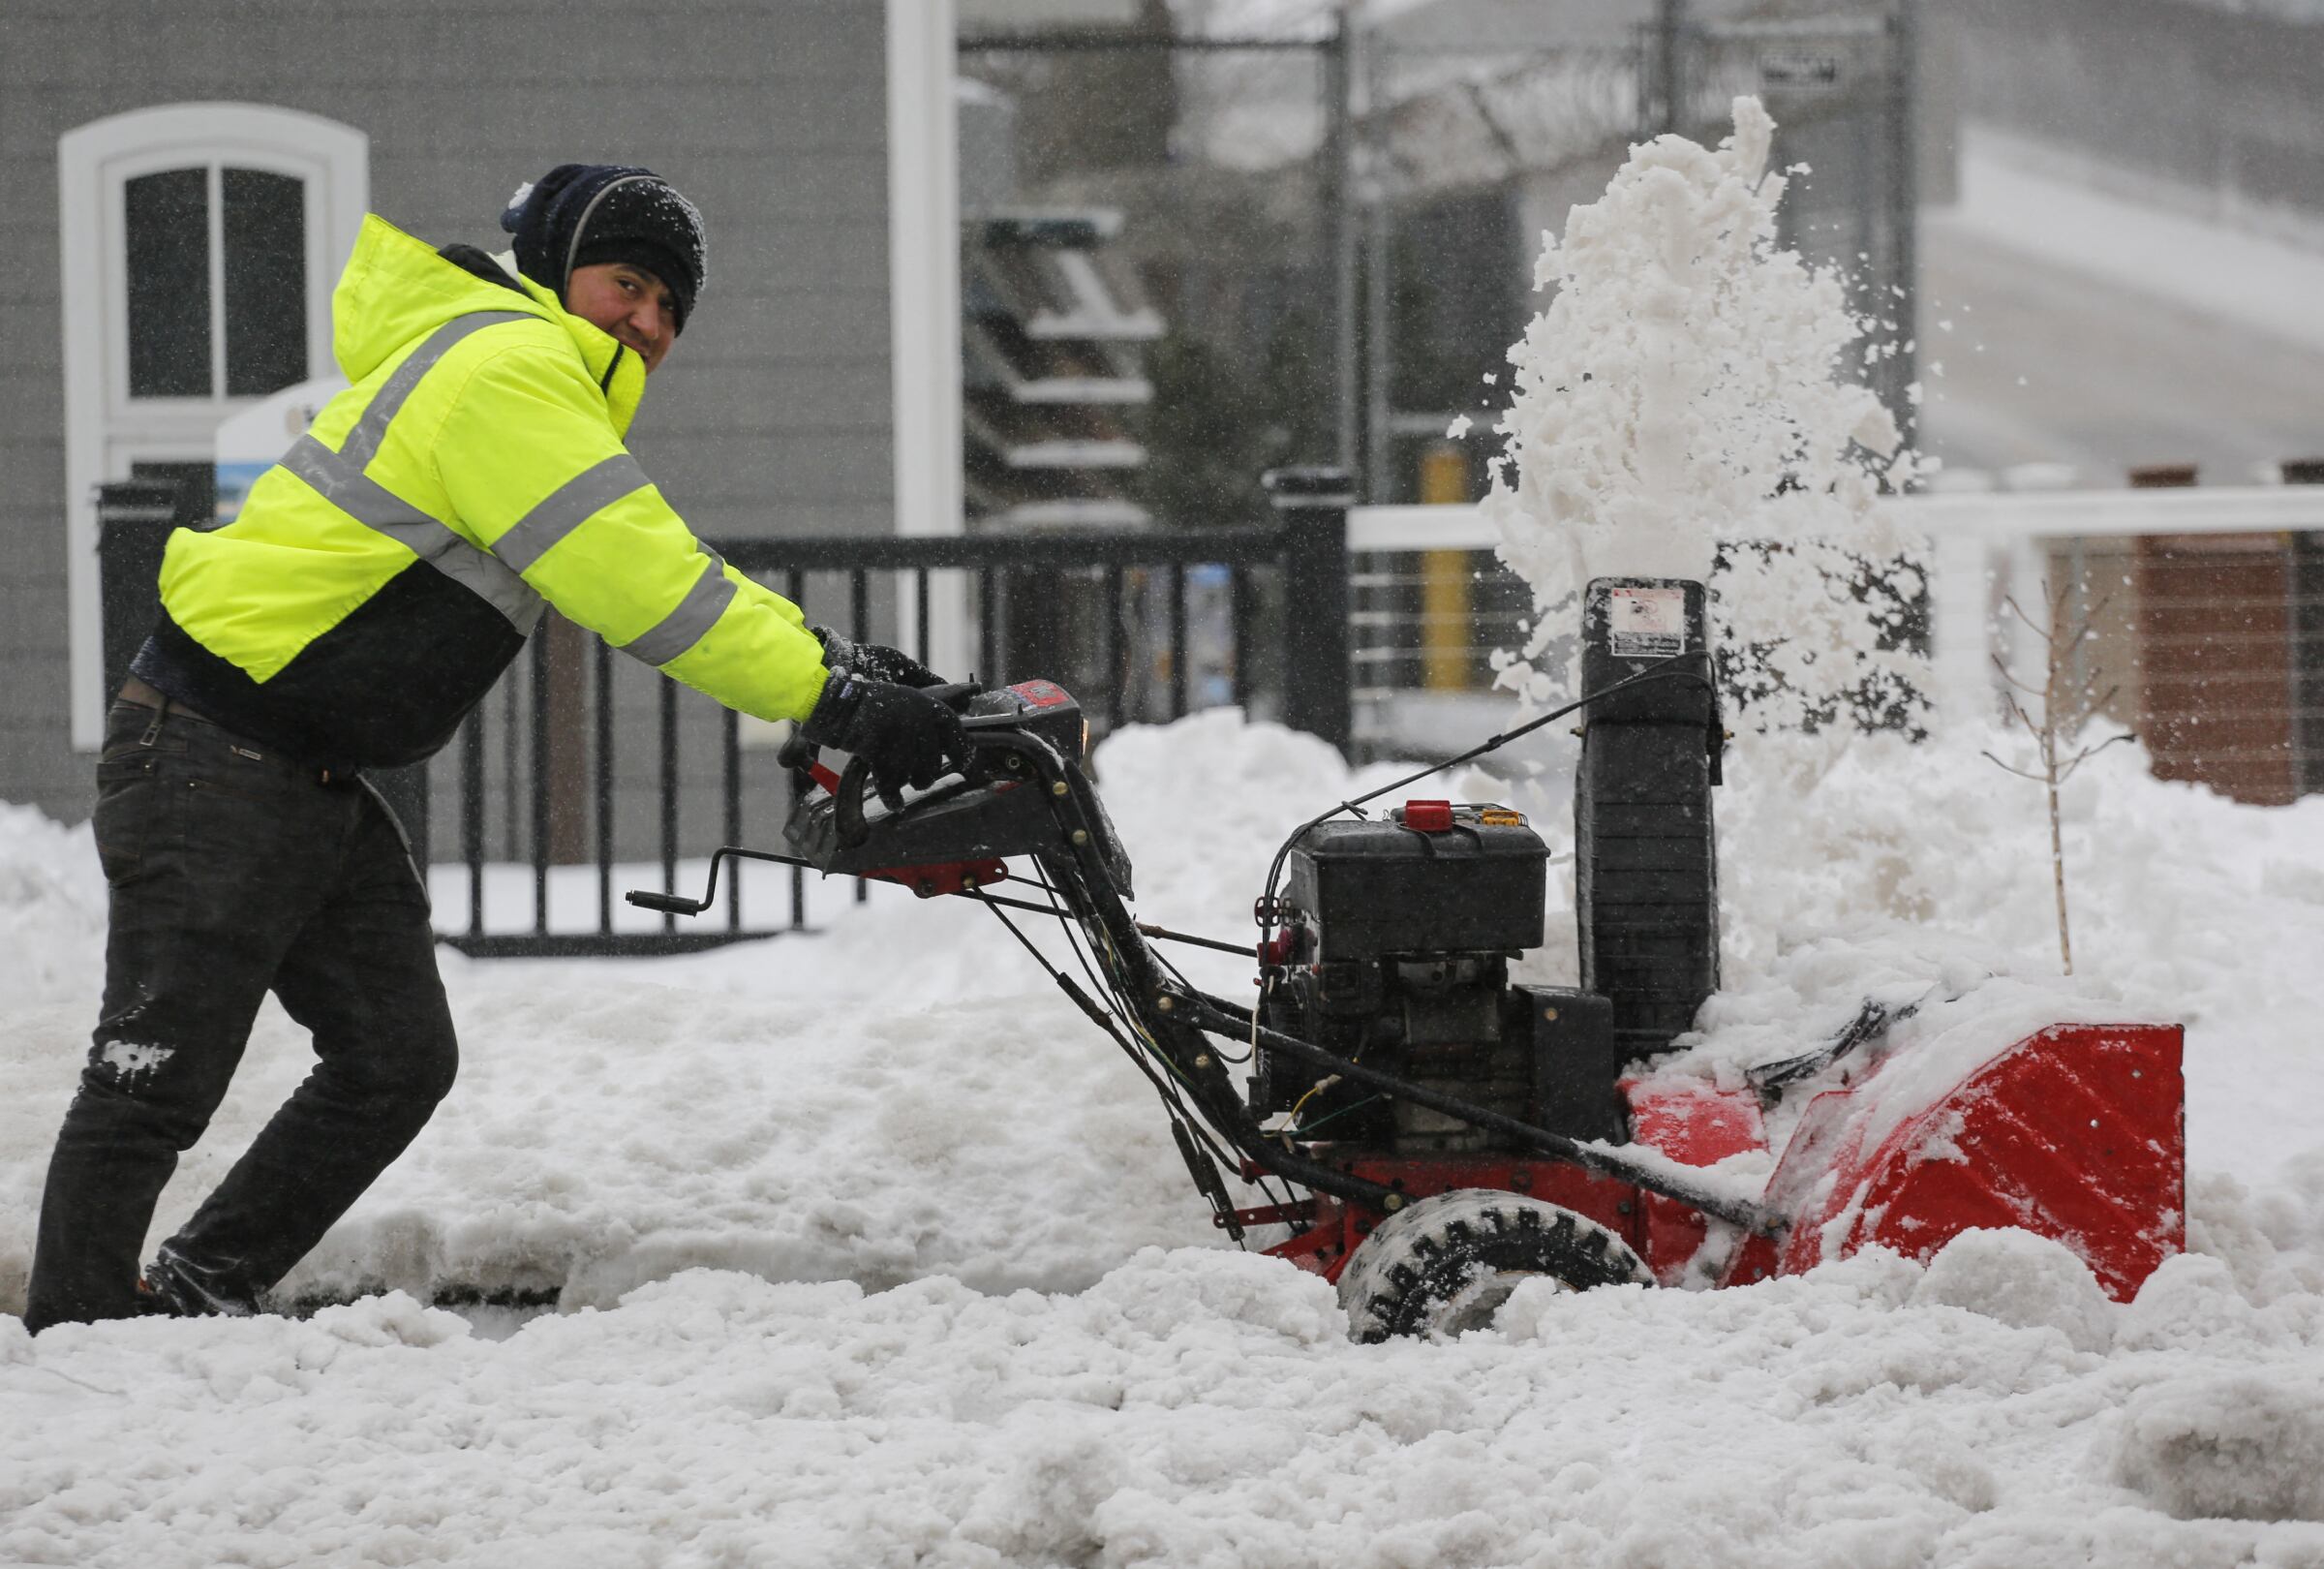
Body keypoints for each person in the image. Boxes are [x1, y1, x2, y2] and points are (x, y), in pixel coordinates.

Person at [24, 165, 964, 1332]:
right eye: (629, 284)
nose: (650, 322)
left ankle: (198, 1286)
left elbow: (668, 561)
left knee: (394, 1059)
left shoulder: (528, 382)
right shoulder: (506, 372)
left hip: (299, 766)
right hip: (217, 750)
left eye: (671, 308)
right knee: (154, 1074)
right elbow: (648, 589)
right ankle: (77, 1341)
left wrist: (837, 662)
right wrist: (835, 701)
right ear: (559, 265)